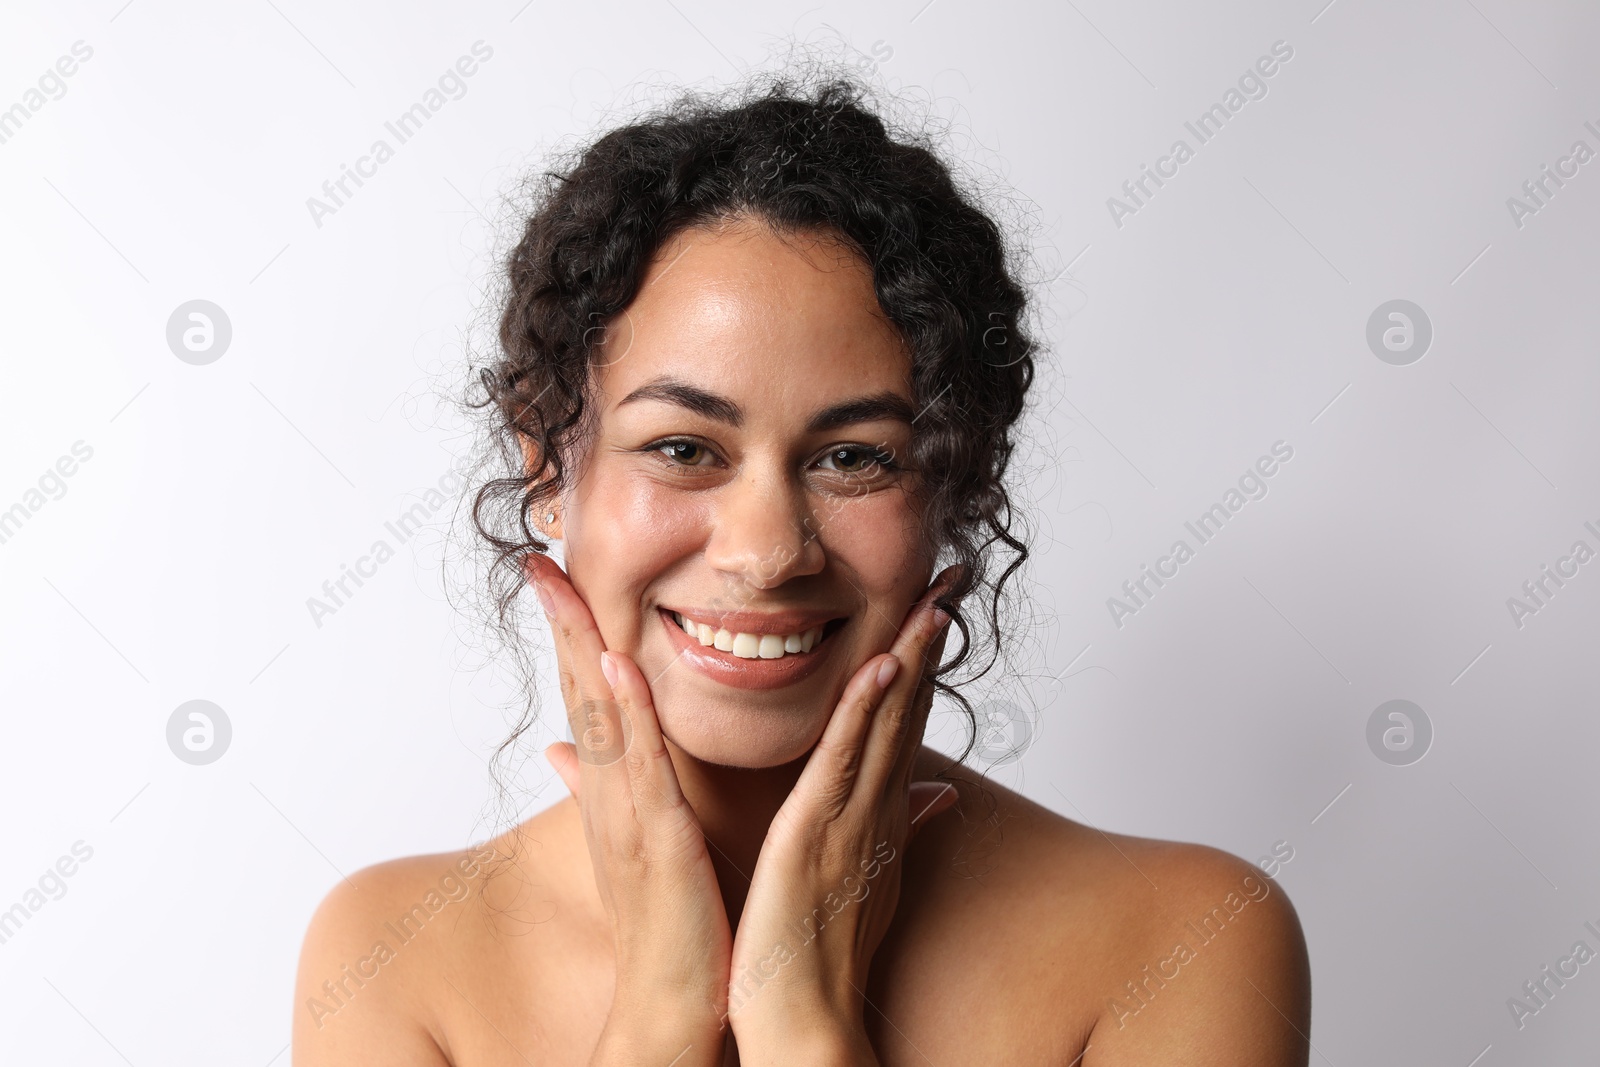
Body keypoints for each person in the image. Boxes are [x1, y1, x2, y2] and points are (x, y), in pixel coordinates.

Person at [293, 72, 1311, 1065]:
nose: (767, 550)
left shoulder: (1182, 938)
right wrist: (657, 1011)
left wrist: (801, 1020)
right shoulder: (393, 959)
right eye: (685, 447)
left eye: (853, 457)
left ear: (951, 489)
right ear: (545, 461)